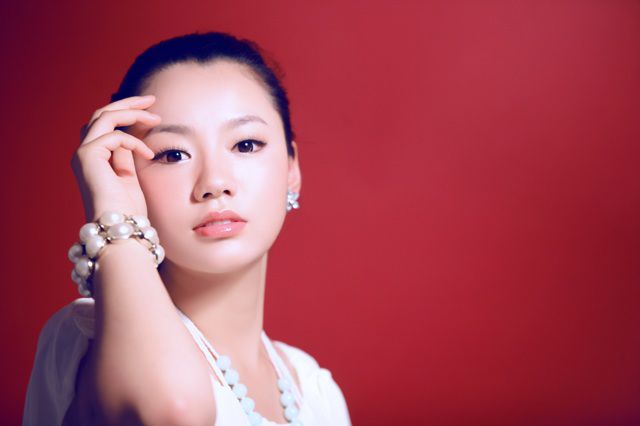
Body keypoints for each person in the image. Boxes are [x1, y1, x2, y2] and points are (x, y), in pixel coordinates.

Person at [22, 31, 352, 426]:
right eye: (173, 154)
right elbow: (171, 408)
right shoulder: (91, 340)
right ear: (124, 171)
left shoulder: (313, 388)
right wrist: (114, 220)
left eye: (246, 145)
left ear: (291, 168)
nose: (214, 182)